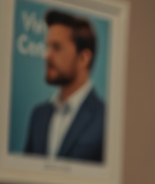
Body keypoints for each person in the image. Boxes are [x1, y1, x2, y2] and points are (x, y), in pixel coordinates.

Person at [22, 10, 106, 163]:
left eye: (57, 47)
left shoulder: (105, 119)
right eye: (47, 47)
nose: (46, 55)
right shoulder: (38, 115)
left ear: (83, 58)